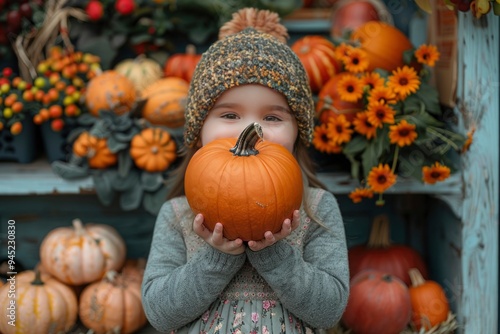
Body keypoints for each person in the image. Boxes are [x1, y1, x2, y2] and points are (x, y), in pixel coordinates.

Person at [142, 7, 349, 334]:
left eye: (272, 118)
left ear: (298, 134)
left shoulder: (317, 210)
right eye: (229, 115)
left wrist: (275, 255)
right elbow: (159, 313)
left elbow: (329, 311)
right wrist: (216, 257)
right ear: (199, 131)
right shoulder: (179, 215)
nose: (251, 129)